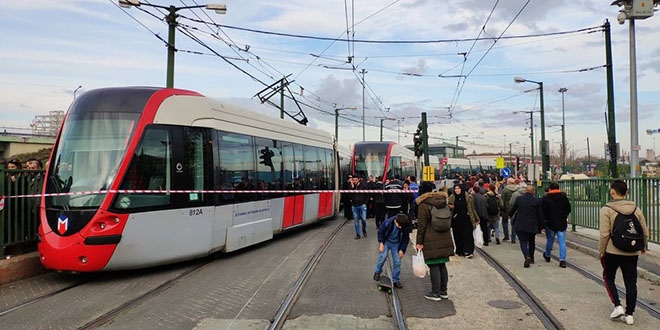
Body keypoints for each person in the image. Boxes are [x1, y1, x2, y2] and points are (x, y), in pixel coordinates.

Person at [599, 180, 649, 325]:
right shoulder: (636, 209)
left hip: (612, 251)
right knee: (631, 282)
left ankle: (617, 305)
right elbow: (644, 231)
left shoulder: (607, 209)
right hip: (632, 252)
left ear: (612, 192)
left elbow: (604, 234)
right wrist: (643, 246)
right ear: (626, 192)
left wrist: (602, 251)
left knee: (608, 277)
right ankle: (630, 314)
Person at [415, 182, 454, 301]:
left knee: (433, 265)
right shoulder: (443, 201)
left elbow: (421, 226)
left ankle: (435, 292)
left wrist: (419, 242)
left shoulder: (423, 205)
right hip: (445, 236)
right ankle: (443, 291)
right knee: (442, 264)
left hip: (430, 237)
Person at [508, 185, 544, 268]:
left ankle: (526, 256)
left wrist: (510, 215)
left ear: (525, 191)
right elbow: (540, 214)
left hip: (521, 223)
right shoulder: (536, 201)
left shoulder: (519, 199)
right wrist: (542, 226)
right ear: (533, 191)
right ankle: (531, 258)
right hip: (532, 225)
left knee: (523, 241)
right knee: (532, 241)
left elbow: (513, 209)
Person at [373, 213, 410, 289]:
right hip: (387, 241)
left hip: (396, 243)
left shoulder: (404, 226)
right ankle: (377, 271)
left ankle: (395, 280)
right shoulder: (388, 223)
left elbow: (406, 239)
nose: (400, 228)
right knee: (383, 256)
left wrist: (402, 250)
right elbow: (380, 231)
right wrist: (381, 243)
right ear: (396, 221)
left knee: (397, 262)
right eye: (399, 226)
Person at [541, 182, 572, 268]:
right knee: (562, 241)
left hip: (550, 223)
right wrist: (564, 216)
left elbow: (543, 211)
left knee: (550, 240)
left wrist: (544, 222)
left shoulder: (546, 199)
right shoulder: (564, 198)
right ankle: (562, 260)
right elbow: (568, 209)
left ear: (550, 189)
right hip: (561, 223)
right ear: (558, 188)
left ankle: (547, 255)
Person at [447, 184, 478, 258]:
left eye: (458, 188)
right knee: (457, 236)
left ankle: (468, 251)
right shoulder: (452, 197)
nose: (457, 190)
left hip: (466, 219)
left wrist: (476, 218)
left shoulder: (468, 197)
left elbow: (472, 208)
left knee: (467, 235)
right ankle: (460, 250)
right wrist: (450, 207)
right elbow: (447, 207)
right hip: (456, 220)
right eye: (455, 189)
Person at [500, 177, 518, 242]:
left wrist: (501, 208)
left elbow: (502, 200)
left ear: (508, 182)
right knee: (513, 223)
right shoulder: (517, 189)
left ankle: (506, 236)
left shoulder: (505, 190)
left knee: (504, 222)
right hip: (515, 208)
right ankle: (513, 238)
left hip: (506, 208)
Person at [350, 175, 368, 239]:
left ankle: (364, 230)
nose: (354, 181)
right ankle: (358, 234)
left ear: (358, 180)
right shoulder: (351, 186)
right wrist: (352, 187)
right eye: (353, 180)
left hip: (362, 205)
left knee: (364, 219)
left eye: (356, 180)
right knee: (356, 220)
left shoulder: (363, 186)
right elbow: (349, 195)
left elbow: (367, 194)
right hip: (354, 205)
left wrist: (365, 203)